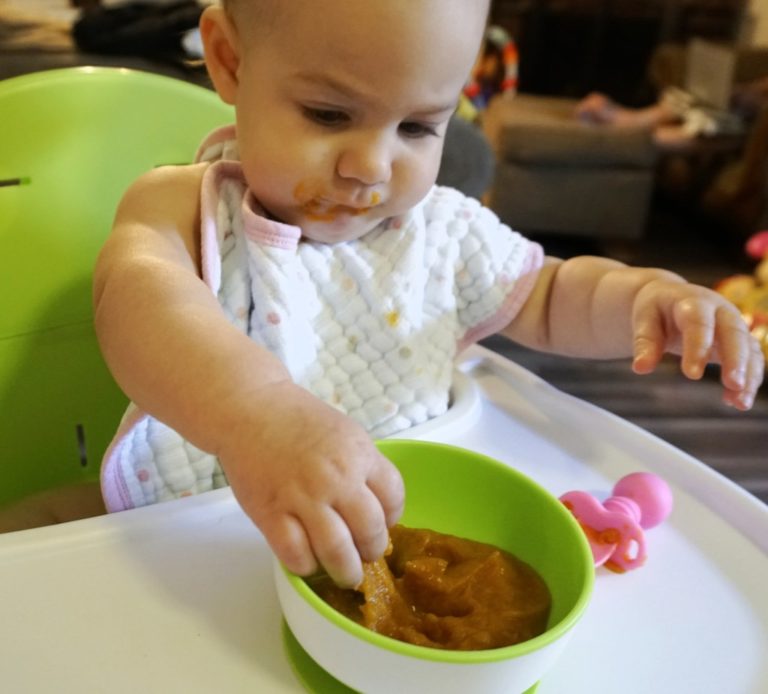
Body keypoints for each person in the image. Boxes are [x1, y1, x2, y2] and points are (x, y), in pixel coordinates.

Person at [91, 0, 764, 590]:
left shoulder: (441, 232)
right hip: (201, 554)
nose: (372, 167)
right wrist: (256, 415)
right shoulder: (186, 209)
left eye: (418, 128)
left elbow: (552, 294)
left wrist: (646, 297)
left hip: (398, 547)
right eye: (329, 114)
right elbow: (138, 302)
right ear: (230, 60)